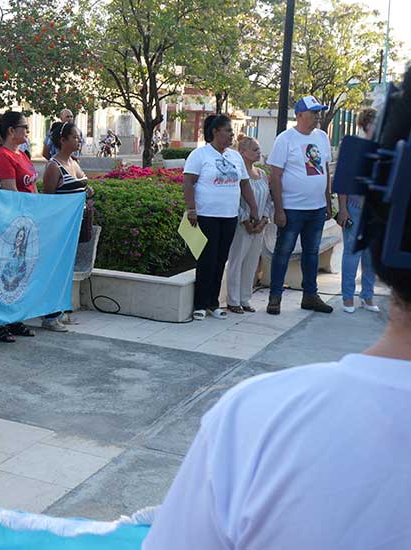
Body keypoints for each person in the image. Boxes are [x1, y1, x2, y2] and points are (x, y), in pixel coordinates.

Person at [143, 69, 411, 549]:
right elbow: (261, 178)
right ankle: (231, 302)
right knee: (234, 264)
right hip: (240, 217)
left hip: (249, 216)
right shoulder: (239, 150)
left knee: (269, 261)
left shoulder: (256, 423)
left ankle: (258, 297)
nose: (313, 117)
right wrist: (265, 209)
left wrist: (256, 207)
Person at [183, 114, 258, 321]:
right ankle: (200, 304)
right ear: (215, 132)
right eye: (228, 131)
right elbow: (188, 182)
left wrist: (253, 208)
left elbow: (244, 184)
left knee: (220, 260)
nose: (232, 135)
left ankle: (213, 303)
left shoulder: (235, 157)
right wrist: (191, 208)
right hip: (207, 215)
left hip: (229, 216)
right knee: (206, 260)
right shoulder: (200, 155)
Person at [265, 95, 334, 315]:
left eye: (318, 112)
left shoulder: (322, 137)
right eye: (314, 113)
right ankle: (275, 297)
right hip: (292, 209)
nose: (317, 117)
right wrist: (279, 208)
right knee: (283, 252)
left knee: (311, 253)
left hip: (317, 208)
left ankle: (310, 295)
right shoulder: (285, 139)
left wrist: (327, 200)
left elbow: (325, 170)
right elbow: (275, 176)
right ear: (300, 115)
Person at [0, 110, 39, 341]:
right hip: (12, 225)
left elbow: (32, 188)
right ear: (11, 130)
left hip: (27, 223)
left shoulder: (23, 156)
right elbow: (10, 193)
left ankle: (15, 318)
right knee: (6, 274)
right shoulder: (2, 157)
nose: (27, 131)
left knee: (21, 273)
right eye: (24, 127)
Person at [41, 120, 92, 331]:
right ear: (62, 140)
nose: (78, 140)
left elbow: (84, 185)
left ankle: (61, 310)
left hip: (74, 226)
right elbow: (48, 200)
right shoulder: (54, 167)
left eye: (79, 137)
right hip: (57, 229)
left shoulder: (74, 162)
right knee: (54, 270)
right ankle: (50, 316)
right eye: (75, 137)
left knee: (65, 271)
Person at [337, 107, 380, 314]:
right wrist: (342, 208)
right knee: (352, 252)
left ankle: (368, 296)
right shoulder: (354, 148)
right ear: (366, 124)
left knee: (371, 255)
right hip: (355, 207)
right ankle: (347, 297)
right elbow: (343, 181)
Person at [225, 135, 273, 313]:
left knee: (252, 263)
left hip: (259, 227)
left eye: (259, 149)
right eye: (254, 149)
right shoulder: (237, 174)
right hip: (242, 226)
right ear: (242, 152)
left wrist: (264, 220)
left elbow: (269, 200)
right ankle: (233, 300)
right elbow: (234, 200)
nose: (258, 152)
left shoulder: (261, 174)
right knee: (237, 262)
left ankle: (245, 298)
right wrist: (245, 220)